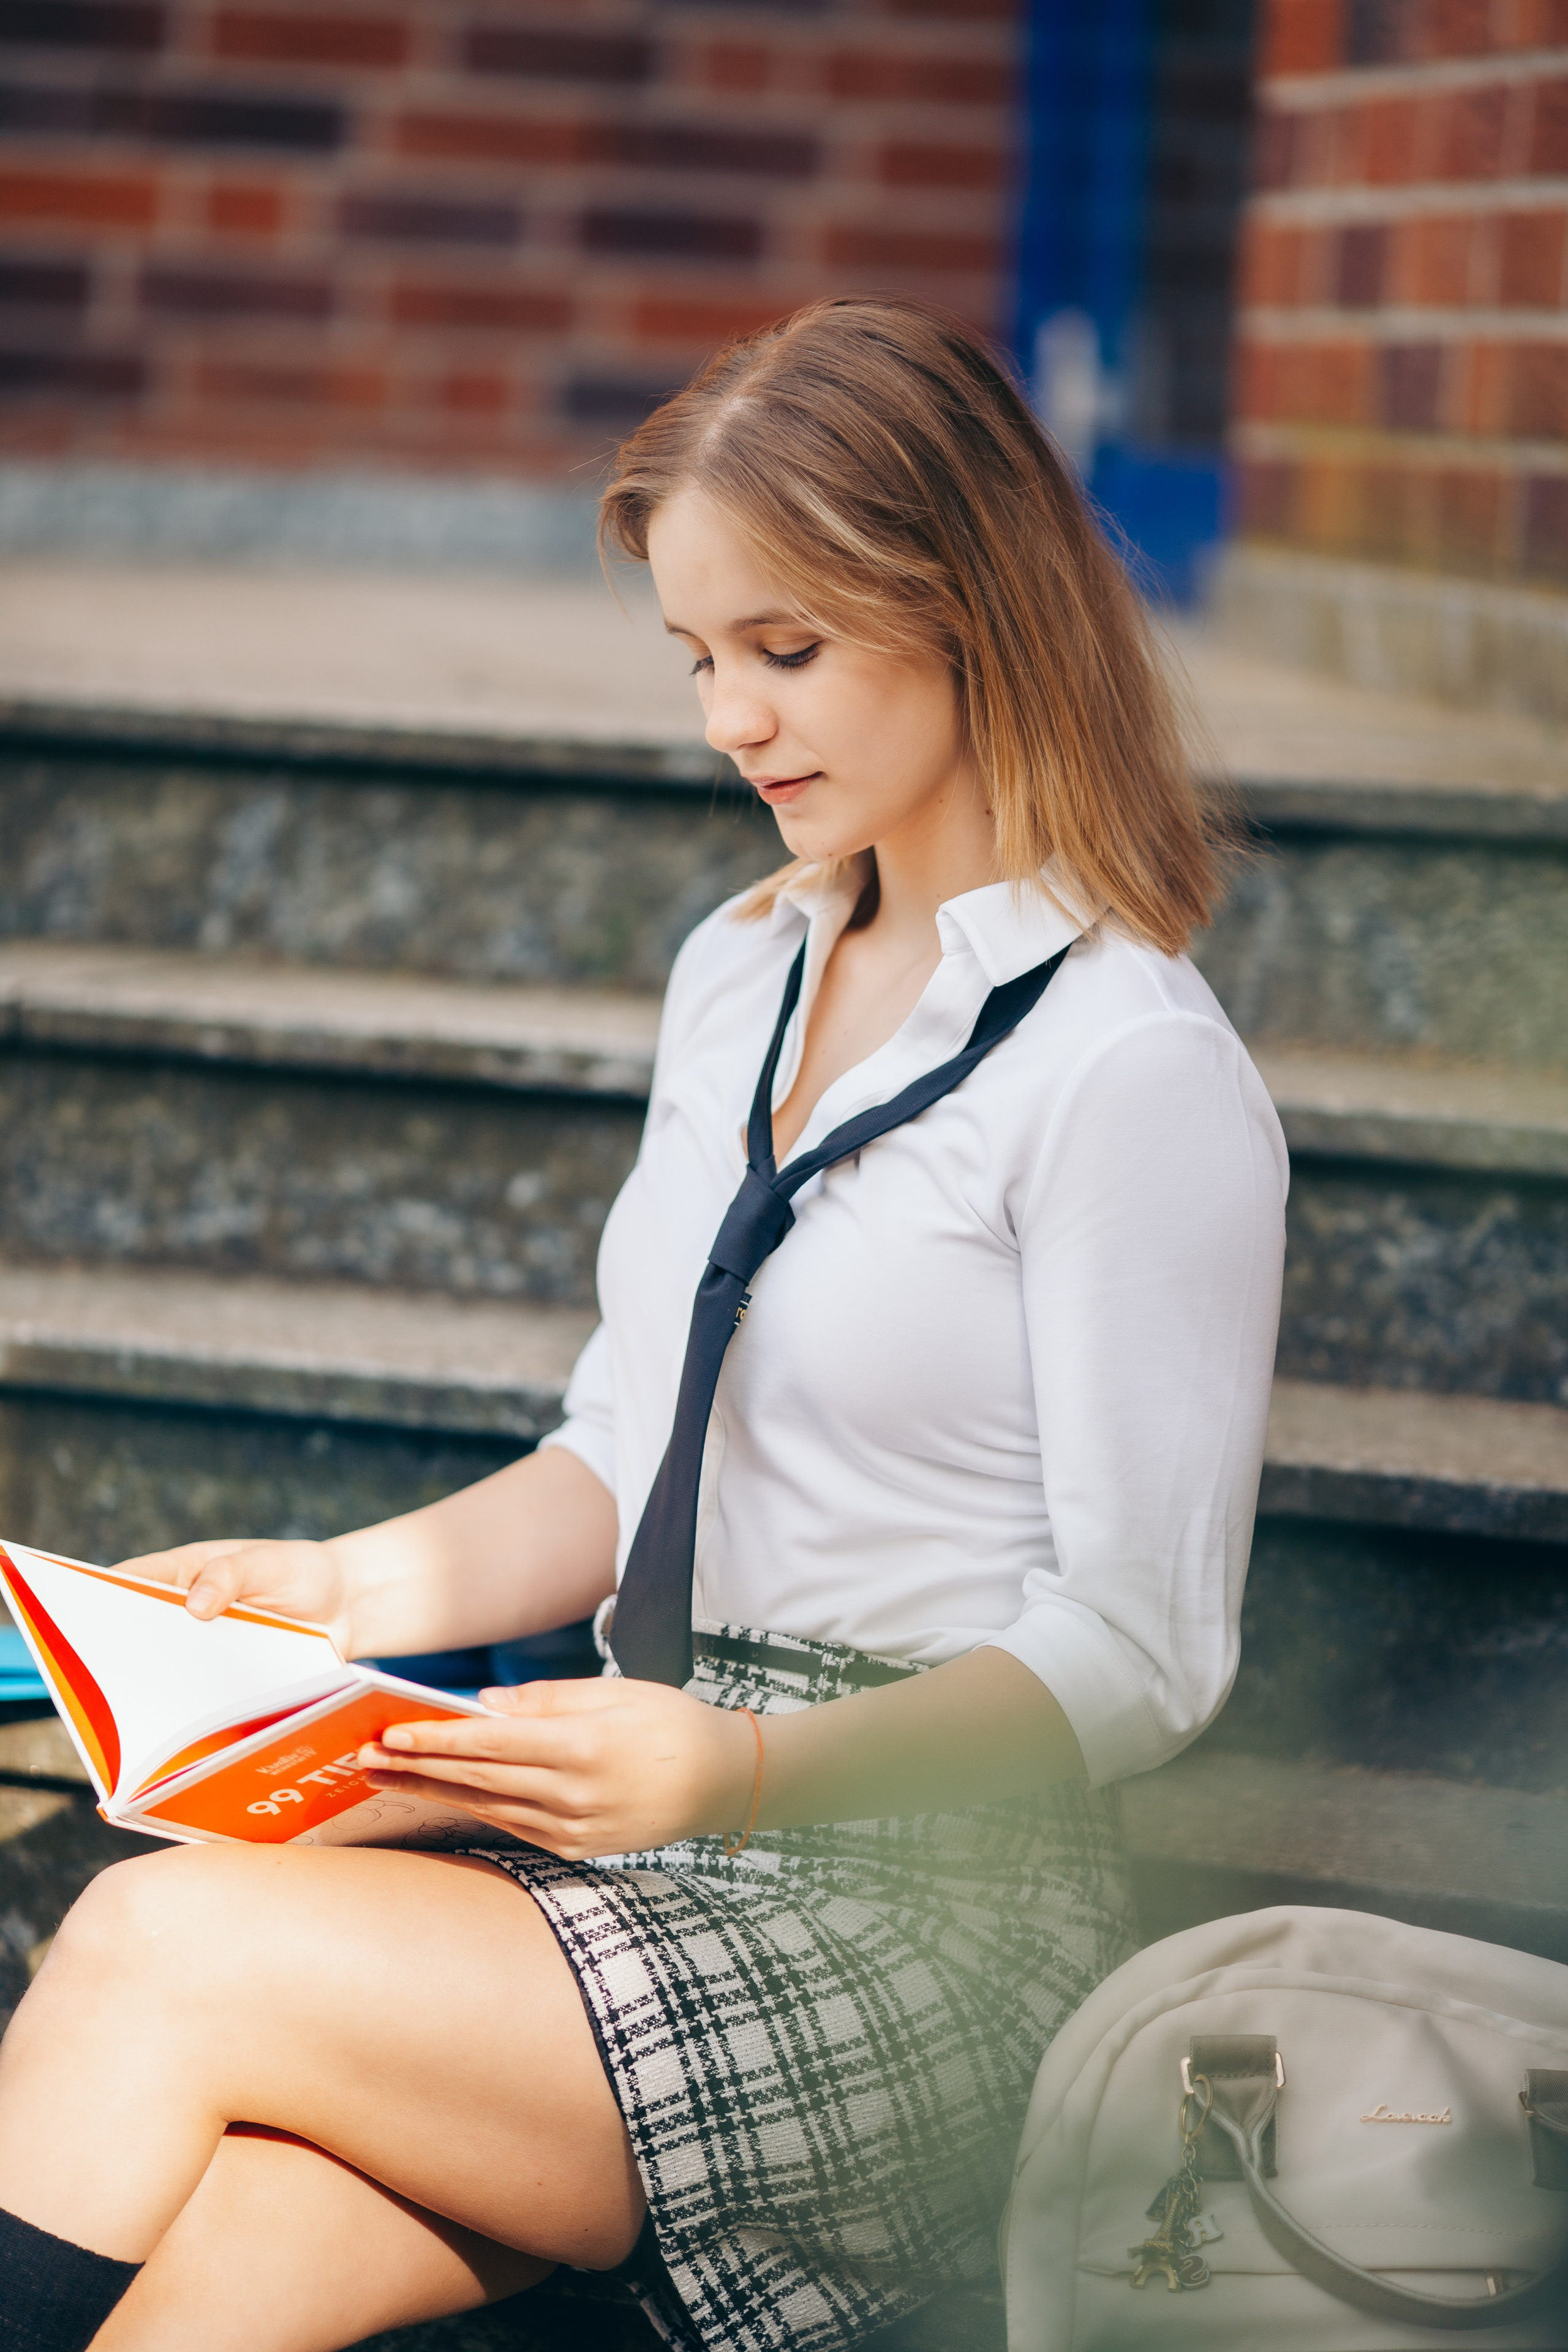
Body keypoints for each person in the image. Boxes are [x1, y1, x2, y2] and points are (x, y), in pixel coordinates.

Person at [0, 298, 1286, 2352]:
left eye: (787, 651)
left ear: (973, 609)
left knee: (159, 1945)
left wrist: (747, 1777)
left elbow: (1147, 1649)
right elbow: (618, 1458)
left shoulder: (1133, 1069)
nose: (730, 723)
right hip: (612, 1825)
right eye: (701, 661)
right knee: (246, 2252)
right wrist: (328, 1594)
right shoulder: (744, 967)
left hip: (913, 1903)